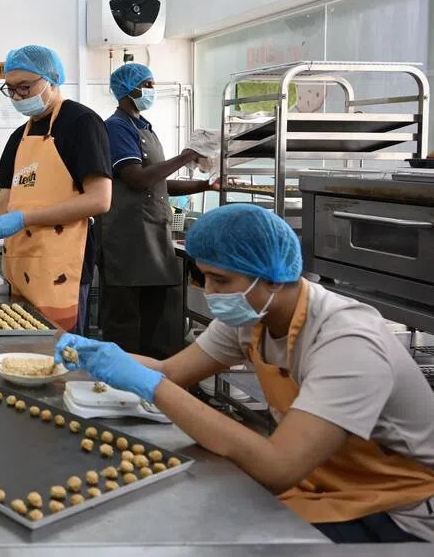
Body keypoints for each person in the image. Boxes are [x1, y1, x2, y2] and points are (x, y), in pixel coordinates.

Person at [56, 204, 434, 544]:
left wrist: (153, 387)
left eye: (220, 280)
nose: (210, 292)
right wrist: (98, 356)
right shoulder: (252, 317)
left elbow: (280, 466)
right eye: (205, 277)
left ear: (273, 278)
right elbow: (172, 371)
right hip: (321, 482)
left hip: (396, 510)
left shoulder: (348, 342)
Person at [0, 45, 112, 331]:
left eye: (25, 87)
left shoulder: (81, 124)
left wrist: (25, 218)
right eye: (10, 89)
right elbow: (1, 205)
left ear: (52, 78)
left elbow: (99, 200)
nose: (18, 96)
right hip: (21, 265)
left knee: (58, 350)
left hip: (62, 266)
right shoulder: (18, 137)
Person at [100, 63, 215, 358]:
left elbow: (159, 183)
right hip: (128, 240)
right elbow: (137, 179)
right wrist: (186, 156)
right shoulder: (117, 127)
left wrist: (206, 185)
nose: (152, 90)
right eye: (147, 85)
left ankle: (153, 376)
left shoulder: (144, 127)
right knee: (126, 326)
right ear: (128, 89)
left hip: (151, 237)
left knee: (155, 325)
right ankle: (121, 379)